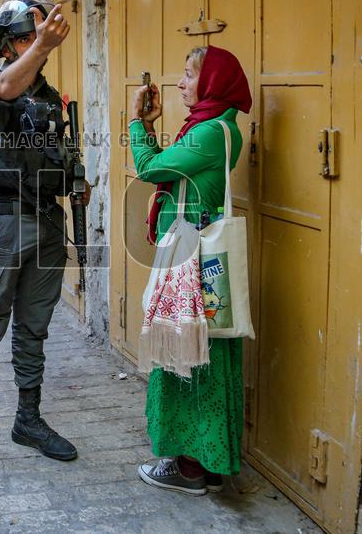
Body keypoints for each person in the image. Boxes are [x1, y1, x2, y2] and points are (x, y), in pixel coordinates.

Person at [0, 0, 90, 472]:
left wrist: (73, 178)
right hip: (0, 221)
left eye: (38, 37)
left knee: (34, 328)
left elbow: (53, 150)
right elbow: (7, 88)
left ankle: (28, 419)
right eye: (25, 39)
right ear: (6, 45)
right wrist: (43, 47)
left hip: (45, 219)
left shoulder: (48, 97)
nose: (35, 44)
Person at [128, 45, 253, 495]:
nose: (180, 83)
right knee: (202, 351)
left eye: (188, 75)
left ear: (213, 83)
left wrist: (134, 123)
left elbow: (148, 168)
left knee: (185, 354)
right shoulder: (214, 128)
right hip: (197, 255)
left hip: (190, 259)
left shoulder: (207, 134)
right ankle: (209, 461)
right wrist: (149, 123)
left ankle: (188, 467)